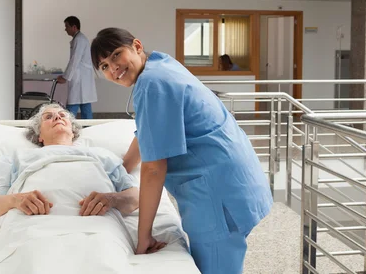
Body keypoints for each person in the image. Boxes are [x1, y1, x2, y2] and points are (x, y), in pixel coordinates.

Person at [90, 28, 273, 274]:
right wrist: (122, 169)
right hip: (238, 178)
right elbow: (149, 131)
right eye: (103, 66)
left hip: (218, 194)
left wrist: (144, 237)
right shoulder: (161, 63)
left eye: (115, 55)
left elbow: (154, 167)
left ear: (137, 46)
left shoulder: (152, 84)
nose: (113, 68)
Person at [0, 103, 139, 217]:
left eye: (62, 115)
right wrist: (15, 200)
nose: (57, 118)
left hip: (98, 224)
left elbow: (136, 197)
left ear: (73, 132)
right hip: (32, 223)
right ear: (39, 136)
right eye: (48, 117)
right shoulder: (15, 158)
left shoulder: (102, 155)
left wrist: (112, 199)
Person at [57, 16, 97, 119]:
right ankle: (88, 129)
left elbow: (74, 61)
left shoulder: (79, 40)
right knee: (85, 106)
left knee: (73, 106)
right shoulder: (79, 39)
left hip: (80, 79)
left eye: (67, 26)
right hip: (82, 79)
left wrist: (65, 77)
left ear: (74, 27)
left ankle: (69, 127)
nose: (65, 29)